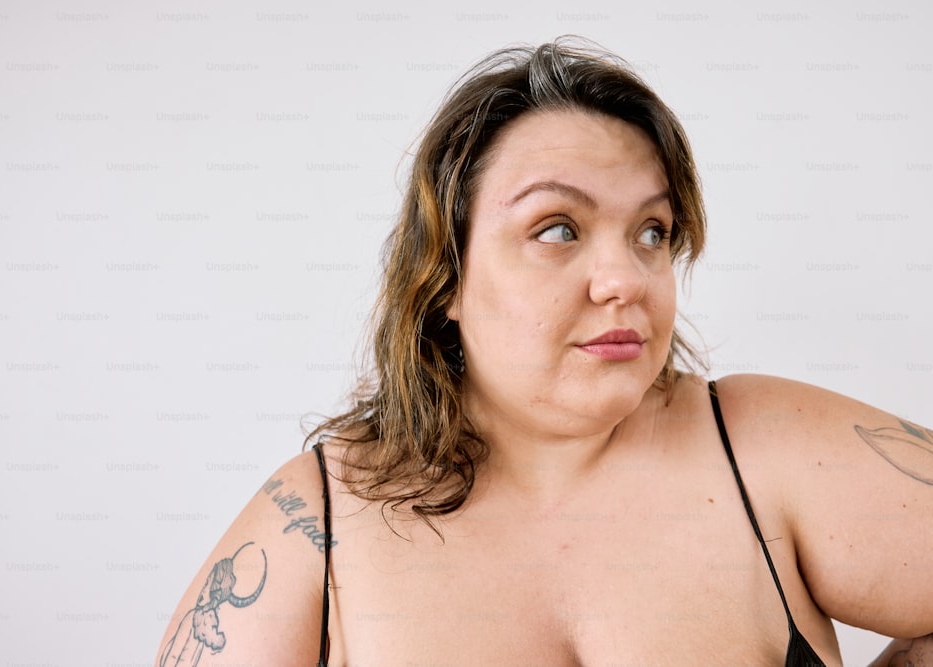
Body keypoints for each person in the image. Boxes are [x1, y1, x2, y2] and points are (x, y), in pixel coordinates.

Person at [156, 38, 933, 666]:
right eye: (557, 228)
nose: (625, 278)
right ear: (445, 276)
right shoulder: (312, 527)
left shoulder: (764, 446)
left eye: (652, 232)